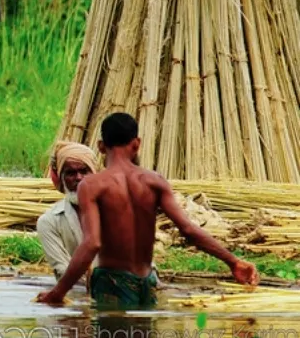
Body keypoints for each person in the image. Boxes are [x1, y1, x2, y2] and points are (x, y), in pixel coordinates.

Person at [37, 113, 259, 309]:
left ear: (101, 146)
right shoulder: (155, 181)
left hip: (112, 284)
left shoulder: (93, 185)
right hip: (147, 281)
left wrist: (58, 293)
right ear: (136, 144)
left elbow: (93, 243)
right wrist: (234, 262)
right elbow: (189, 229)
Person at [36, 141, 99, 280]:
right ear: (61, 178)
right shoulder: (49, 222)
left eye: (84, 171)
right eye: (71, 173)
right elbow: (62, 270)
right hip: (76, 288)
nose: (78, 178)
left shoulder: (115, 212)